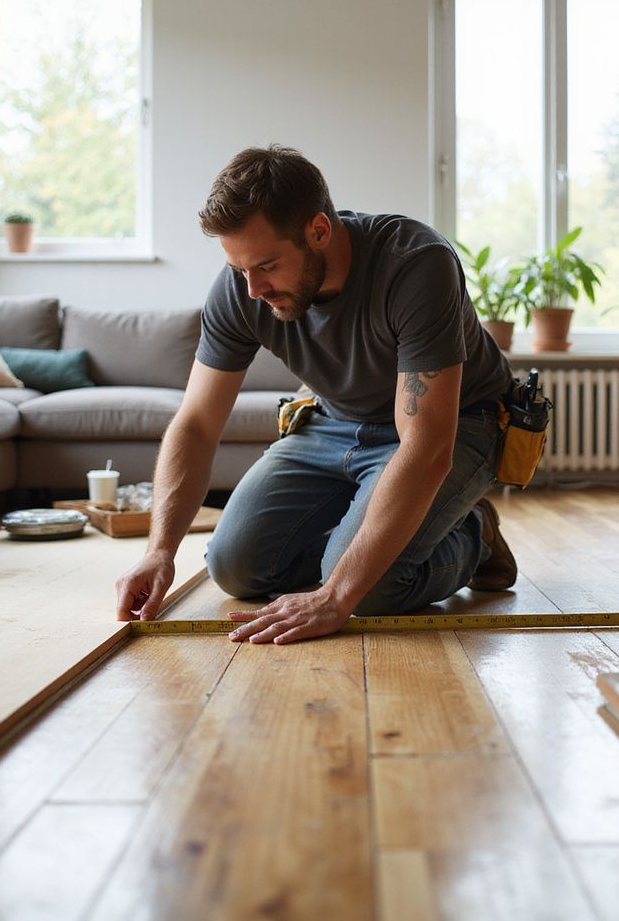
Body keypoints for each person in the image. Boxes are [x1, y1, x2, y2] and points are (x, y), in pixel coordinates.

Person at [115, 145, 518, 644]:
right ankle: (371, 537)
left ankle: (473, 536)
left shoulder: (416, 264)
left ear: (319, 231)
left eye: (266, 266)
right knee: (234, 568)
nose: (252, 290)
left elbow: (426, 448)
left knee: (368, 593)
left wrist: (339, 593)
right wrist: (159, 550)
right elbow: (196, 423)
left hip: (454, 425)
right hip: (334, 422)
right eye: (239, 269)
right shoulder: (241, 289)